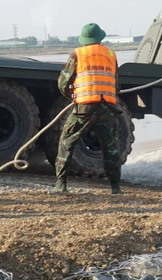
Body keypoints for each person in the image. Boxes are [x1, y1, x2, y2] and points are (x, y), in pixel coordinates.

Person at [50, 23, 124, 195]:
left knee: (67, 141)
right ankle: (115, 187)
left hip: (84, 107)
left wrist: (73, 96)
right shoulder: (111, 55)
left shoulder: (78, 54)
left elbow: (63, 82)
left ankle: (61, 184)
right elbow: (116, 85)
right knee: (111, 146)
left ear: (84, 40)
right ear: (100, 38)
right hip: (107, 108)